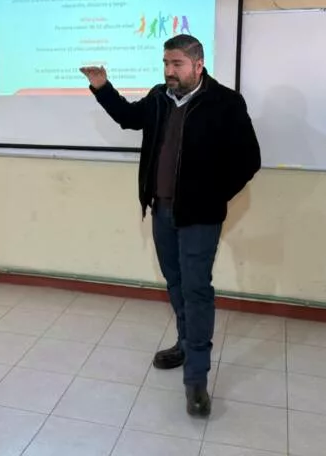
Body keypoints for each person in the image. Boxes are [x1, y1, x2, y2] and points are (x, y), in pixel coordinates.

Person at [80, 34, 261, 417]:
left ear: (198, 64)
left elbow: (249, 160)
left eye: (176, 64)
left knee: (196, 290)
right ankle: (184, 343)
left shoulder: (225, 102)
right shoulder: (160, 97)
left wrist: (213, 196)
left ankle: (196, 379)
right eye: (166, 63)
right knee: (175, 283)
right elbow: (129, 119)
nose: (169, 71)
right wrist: (102, 87)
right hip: (162, 211)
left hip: (200, 217)